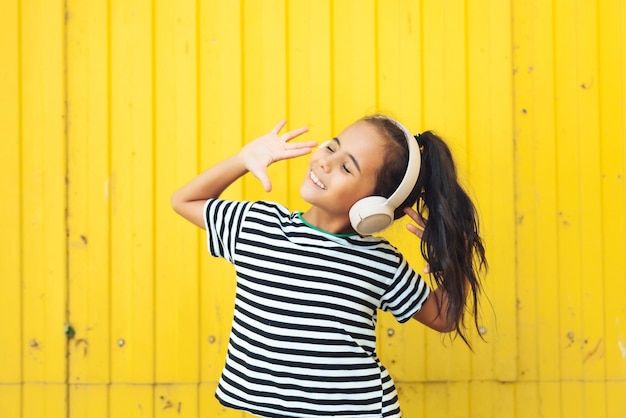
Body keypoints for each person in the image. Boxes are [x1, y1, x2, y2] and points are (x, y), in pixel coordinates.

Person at [171, 114, 487, 418]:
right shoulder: (257, 226)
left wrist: (454, 256)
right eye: (332, 147)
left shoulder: (380, 261)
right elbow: (184, 201)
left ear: (375, 204)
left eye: (346, 168)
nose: (325, 162)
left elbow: (443, 317)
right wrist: (242, 160)